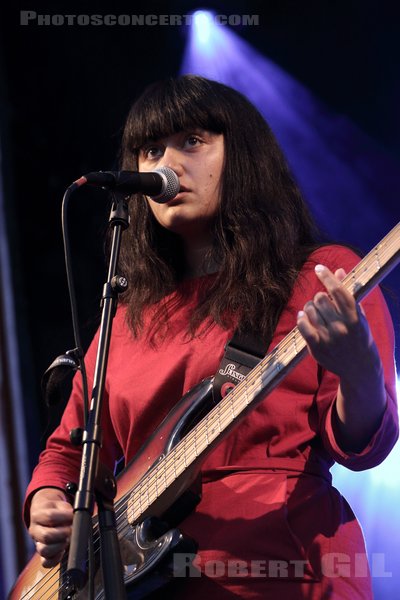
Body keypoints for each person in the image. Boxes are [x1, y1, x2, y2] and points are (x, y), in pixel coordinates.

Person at [24, 75, 398, 599]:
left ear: (242, 155)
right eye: (151, 149)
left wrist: (358, 368)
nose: (166, 164)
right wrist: (45, 501)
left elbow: (364, 448)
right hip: (142, 581)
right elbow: (69, 449)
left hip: (284, 568)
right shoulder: (127, 316)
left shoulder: (319, 275)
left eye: (192, 142)